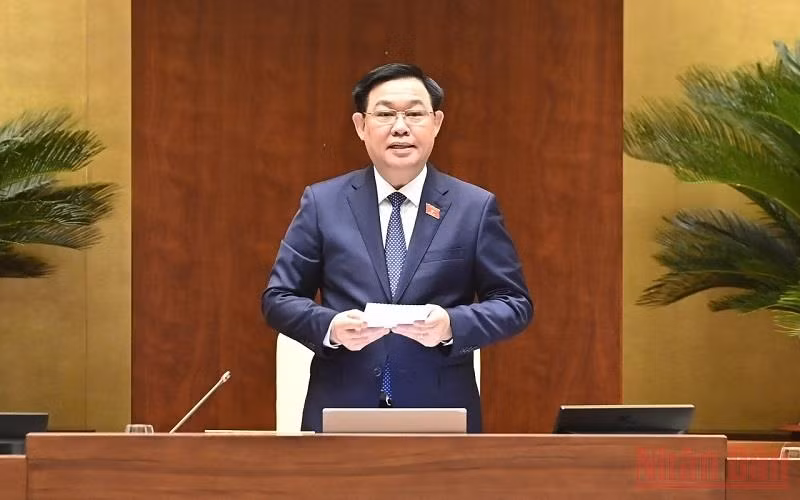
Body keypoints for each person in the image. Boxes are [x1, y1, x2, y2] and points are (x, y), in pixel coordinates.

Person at [262, 63, 533, 433]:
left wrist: (452, 324)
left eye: (415, 113)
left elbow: (514, 303)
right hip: (341, 412)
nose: (401, 127)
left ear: (436, 123)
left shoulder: (474, 207)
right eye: (386, 113)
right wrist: (331, 327)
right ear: (361, 126)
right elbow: (279, 298)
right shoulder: (322, 203)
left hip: (441, 414)